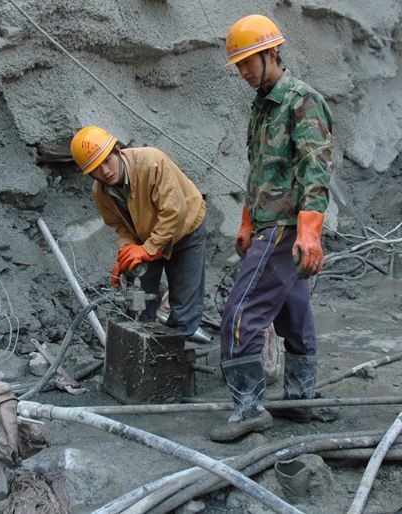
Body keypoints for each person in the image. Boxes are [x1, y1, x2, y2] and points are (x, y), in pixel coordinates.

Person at [210, 14, 333, 442]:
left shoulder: (301, 100)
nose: (243, 71)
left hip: (285, 228)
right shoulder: (262, 106)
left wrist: (310, 230)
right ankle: (299, 399)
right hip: (267, 222)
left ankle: (248, 409)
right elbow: (259, 171)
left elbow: (315, 167)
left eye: (249, 61)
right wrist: (246, 219)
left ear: (271, 52)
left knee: (241, 315)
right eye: (238, 64)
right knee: (292, 313)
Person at [70, 126, 210, 342]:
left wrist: (149, 249)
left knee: (184, 301)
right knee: (140, 297)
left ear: (117, 150)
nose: (105, 171)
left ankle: (177, 352)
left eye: (107, 161)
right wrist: (126, 251)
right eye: (96, 169)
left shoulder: (151, 162)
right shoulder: (101, 192)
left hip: (185, 228)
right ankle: (146, 344)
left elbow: (175, 211)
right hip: (147, 237)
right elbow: (120, 225)